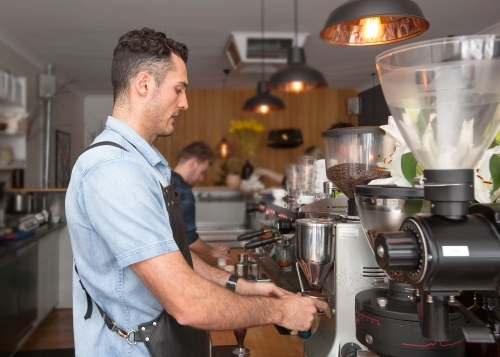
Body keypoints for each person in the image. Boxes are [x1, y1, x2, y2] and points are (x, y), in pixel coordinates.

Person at [65, 27, 328, 357]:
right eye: (178, 89)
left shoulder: (140, 165)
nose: (185, 103)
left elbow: (174, 257)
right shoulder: (114, 171)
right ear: (144, 84)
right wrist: (280, 311)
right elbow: (187, 303)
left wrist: (240, 286)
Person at [171, 141, 231, 260]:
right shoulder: (183, 191)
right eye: (202, 171)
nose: (201, 178)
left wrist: (209, 248)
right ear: (193, 163)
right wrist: (213, 251)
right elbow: (190, 240)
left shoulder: (165, 178)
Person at [253, 145, 325, 186]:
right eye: (302, 162)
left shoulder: (322, 181)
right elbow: (286, 180)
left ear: (317, 163)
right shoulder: (303, 178)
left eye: (307, 163)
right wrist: (266, 172)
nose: (303, 166)